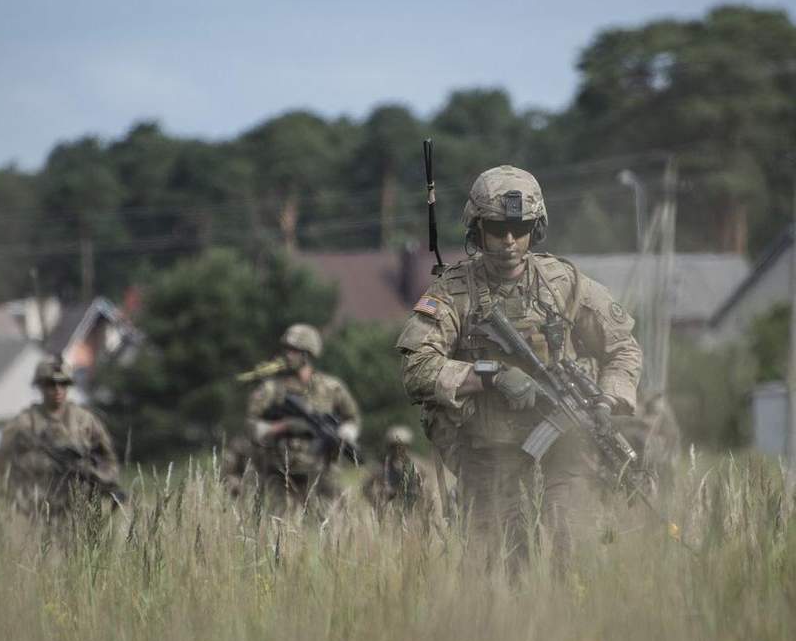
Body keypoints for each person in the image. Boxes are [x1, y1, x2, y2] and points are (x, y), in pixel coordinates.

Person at [396, 165, 642, 574]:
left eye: (520, 227)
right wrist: (490, 376)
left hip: (565, 449)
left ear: (536, 228)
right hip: (490, 456)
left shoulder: (564, 284)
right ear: (477, 228)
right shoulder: (453, 293)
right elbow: (416, 367)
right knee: (496, 572)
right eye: (497, 228)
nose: (509, 240)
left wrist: (607, 398)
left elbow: (622, 346)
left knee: (573, 556)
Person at [246, 324, 361, 511]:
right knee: (279, 524)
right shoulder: (271, 389)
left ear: (307, 354)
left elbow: (352, 418)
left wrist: (344, 434)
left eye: (294, 350)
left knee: (330, 522)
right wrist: (282, 427)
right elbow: (251, 425)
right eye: (286, 349)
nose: (287, 354)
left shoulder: (331, 388)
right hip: (280, 473)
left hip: (322, 474)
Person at [0, 356, 121, 519]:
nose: (57, 389)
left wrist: (97, 476)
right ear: (40, 386)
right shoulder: (23, 424)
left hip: (80, 508)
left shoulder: (85, 420)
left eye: (63, 384)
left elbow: (108, 459)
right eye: (50, 384)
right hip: (36, 509)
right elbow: (2, 465)